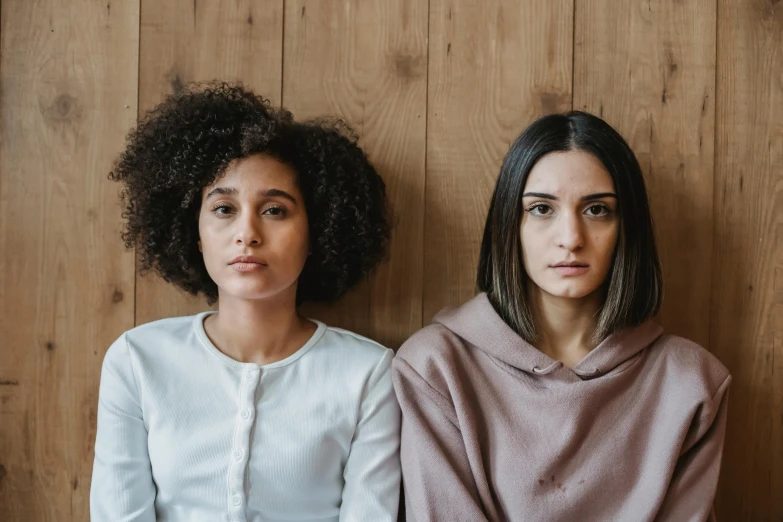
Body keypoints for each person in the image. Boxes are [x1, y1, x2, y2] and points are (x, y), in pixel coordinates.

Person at [393, 111, 730, 521]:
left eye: (597, 210)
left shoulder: (692, 382)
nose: (571, 238)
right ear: (508, 224)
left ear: (628, 227)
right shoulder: (436, 367)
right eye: (540, 209)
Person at [90, 82, 401, 522]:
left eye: (275, 210)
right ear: (193, 232)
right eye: (223, 209)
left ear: (319, 231)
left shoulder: (368, 375)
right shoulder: (137, 361)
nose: (247, 233)